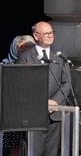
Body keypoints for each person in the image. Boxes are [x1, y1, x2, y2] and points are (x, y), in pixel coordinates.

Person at [16, 22, 72, 156]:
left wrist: (54, 102)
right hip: (34, 115)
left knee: (52, 152)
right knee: (34, 152)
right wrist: (42, 104)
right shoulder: (25, 57)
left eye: (51, 32)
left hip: (56, 113)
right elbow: (21, 86)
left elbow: (67, 83)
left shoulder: (59, 56)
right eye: (46, 33)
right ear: (36, 36)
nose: (50, 36)